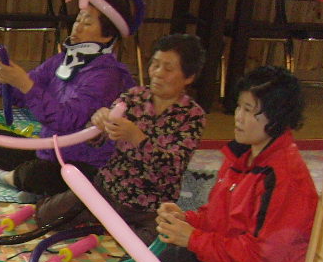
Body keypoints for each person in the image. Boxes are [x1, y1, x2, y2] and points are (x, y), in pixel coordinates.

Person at [121, 66, 318, 262]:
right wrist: (185, 219)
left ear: (277, 116)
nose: (238, 117)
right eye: (239, 107)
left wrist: (193, 239)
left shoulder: (284, 177)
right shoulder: (242, 155)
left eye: (249, 110)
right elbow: (217, 214)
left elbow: (263, 259)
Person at [33, 33, 207, 243]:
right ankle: (110, 226)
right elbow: (96, 140)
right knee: (46, 216)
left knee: (153, 246)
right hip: (108, 190)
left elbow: (172, 166)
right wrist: (98, 124)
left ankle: (113, 228)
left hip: (150, 204)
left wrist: (137, 138)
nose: (158, 73)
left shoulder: (192, 115)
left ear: (189, 77)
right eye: (155, 64)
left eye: (168, 69)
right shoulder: (133, 97)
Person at [0, 0, 137, 200]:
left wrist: (24, 83)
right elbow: (25, 92)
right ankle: (34, 186)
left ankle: (6, 178)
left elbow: (64, 120)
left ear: (107, 35)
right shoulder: (62, 60)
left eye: (87, 23)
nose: (77, 27)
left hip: (85, 164)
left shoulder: (107, 76)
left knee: (37, 173)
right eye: (78, 20)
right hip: (50, 151)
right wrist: (8, 80)